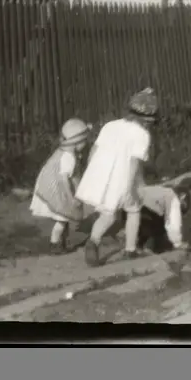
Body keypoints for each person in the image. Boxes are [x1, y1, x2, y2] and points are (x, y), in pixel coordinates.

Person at [75, 87, 159, 267]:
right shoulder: (142, 135)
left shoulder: (110, 125)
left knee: (108, 215)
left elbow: (94, 150)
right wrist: (130, 186)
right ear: (148, 120)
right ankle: (130, 249)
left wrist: (90, 173)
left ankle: (93, 241)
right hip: (123, 178)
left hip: (101, 174)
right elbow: (134, 163)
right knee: (134, 209)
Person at [29, 117, 93, 253]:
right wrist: (71, 197)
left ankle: (62, 242)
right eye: (83, 141)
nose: (85, 144)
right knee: (62, 219)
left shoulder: (63, 151)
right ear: (76, 142)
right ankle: (54, 244)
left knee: (63, 217)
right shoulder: (69, 157)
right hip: (56, 188)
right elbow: (64, 179)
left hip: (54, 184)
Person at [123, 184, 191, 254]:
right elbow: (172, 222)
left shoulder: (160, 191)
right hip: (141, 209)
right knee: (162, 225)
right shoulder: (172, 197)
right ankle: (141, 247)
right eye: (182, 206)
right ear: (182, 196)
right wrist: (178, 243)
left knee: (153, 223)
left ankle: (136, 247)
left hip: (128, 209)